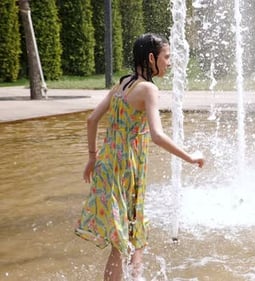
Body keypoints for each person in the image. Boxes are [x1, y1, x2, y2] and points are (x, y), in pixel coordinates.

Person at [74, 33, 205, 281]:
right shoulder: (148, 89)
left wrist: (92, 158)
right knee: (122, 243)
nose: (169, 62)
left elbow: (92, 120)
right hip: (125, 171)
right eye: (166, 57)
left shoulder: (123, 84)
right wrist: (189, 157)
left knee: (135, 237)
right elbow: (157, 135)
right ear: (151, 58)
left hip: (109, 166)